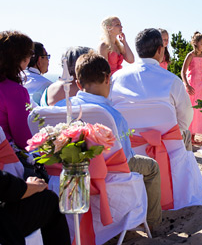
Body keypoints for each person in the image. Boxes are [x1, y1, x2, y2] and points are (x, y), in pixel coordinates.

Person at [59, 52, 163, 228]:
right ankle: (153, 224)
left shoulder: (59, 108)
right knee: (152, 167)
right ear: (108, 78)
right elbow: (126, 157)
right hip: (109, 170)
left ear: (78, 83)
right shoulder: (112, 115)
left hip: (68, 171)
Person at [110, 28, 195, 146]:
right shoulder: (172, 81)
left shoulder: (116, 78)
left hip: (127, 149)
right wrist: (171, 135)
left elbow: (110, 110)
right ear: (160, 49)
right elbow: (186, 117)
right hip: (167, 148)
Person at [182, 32, 202, 138]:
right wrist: (186, 85)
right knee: (191, 110)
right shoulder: (190, 55)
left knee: (199, 111)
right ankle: (189, 135)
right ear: (195, 43)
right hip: (192, 86)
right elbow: (183, 72)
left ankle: (194, 135)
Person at [21, 41, 51, 105]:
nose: (48, 61)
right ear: (39, 60)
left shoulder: (15, 77)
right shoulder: (47, 85)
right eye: (47, 56)